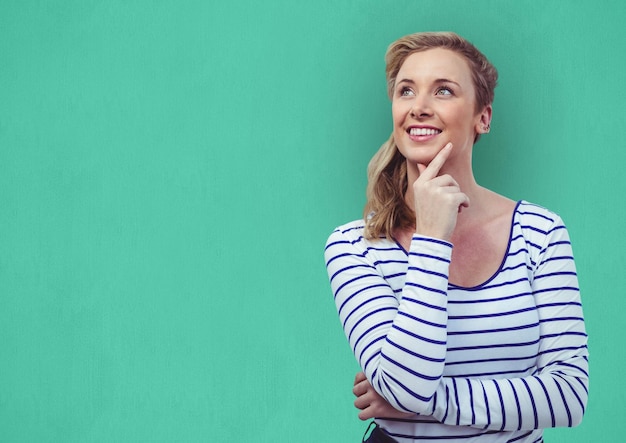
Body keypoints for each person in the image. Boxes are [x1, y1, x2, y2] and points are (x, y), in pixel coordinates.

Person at [324, 32, 588, 442]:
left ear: (483, 117)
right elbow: (407, 384)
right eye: (405, 91)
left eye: (443, 90)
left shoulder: (541, 233)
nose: (419, 108)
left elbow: (568, 397)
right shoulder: (354, 246)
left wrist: (424, 402)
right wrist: (432, 238)